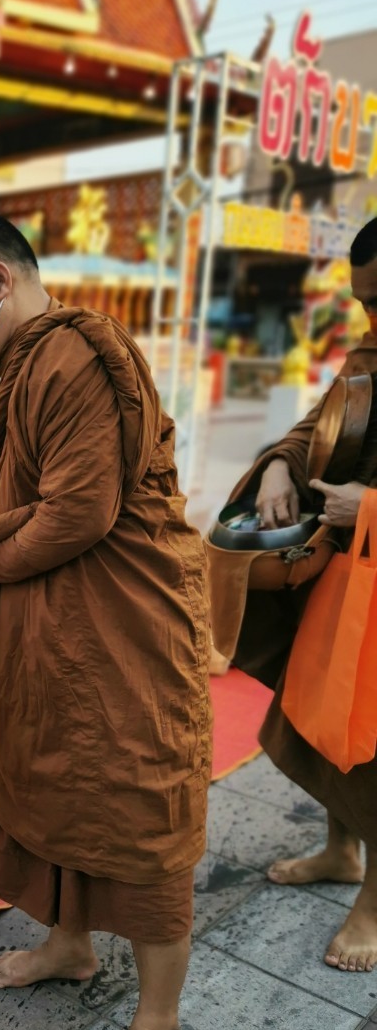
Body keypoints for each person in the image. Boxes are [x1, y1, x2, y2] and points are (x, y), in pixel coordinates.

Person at [0, 212, 212, 1030]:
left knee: (136, 810)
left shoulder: (73, 358)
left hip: (123, 641)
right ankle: (71, 944)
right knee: (50, 783)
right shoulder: (28, 364)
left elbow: (79, 513)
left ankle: (157, 1025)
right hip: (61, 639)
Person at [227, 216, 377, 972]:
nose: (372, 319)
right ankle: (339, 847)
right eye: (365, 303)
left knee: (375, 744)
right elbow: (313, 430)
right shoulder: (368, 356)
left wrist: (372, 508)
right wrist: (279, 466)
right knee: (314, 719)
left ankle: (375, 897)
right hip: (347, 579)